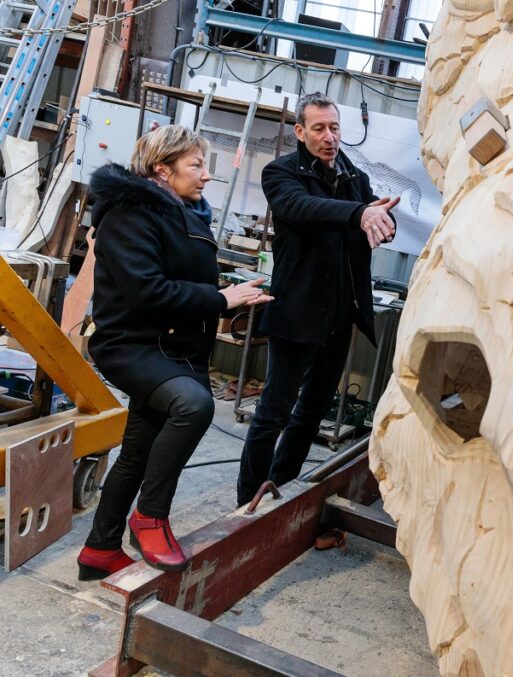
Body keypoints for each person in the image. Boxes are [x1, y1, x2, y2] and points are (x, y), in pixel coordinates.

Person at [77, 125, 272, 580]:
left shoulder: (181, 214)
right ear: (161, 169)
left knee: (137, 452)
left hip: (173, 346)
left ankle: (99, 550)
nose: (206, 176)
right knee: (194, 405)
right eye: (196, 165)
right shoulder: (131, 212)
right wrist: (222, 300)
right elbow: (146, 290)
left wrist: (230, 295)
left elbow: (182, 278)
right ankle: (150, 515)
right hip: (133, 345)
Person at [236, 92, 398, 505]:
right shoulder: (281, 173)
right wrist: (358, 213)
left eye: (335, 127)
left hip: (339, 315)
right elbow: (301, 207)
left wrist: (382, 220)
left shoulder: (353, 177)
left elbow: (363, 219)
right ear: (300, 131)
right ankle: (246, 502)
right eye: (320, 128)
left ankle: (282, 490)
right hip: (297, 313)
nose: (329, 136)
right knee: (274, 413)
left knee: (310, 415)